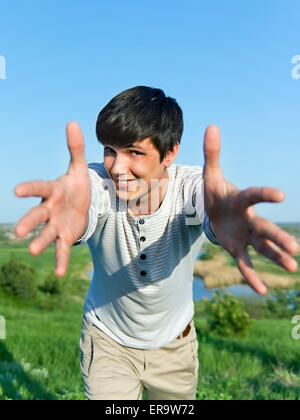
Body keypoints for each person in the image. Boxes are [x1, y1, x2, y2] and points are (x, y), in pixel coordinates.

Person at [15, 86, 299, 400]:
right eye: (110, 150)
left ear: (170, 152)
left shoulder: (190, 187)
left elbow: (209, 203)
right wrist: (75, 220)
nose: (117, 168)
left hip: (175, 346)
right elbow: (87, 206)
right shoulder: (95, 184)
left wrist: (222, 221)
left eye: (134, 152)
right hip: (108, 342)